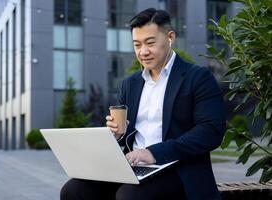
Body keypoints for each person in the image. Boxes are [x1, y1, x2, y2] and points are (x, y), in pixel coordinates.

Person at [60, 8, 226, 200]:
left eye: (150, 43)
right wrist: (115, 135)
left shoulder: (198, 78)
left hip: (178, 167)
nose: (143, 52)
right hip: (133, 166)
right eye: (137, 45)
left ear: (170, 37)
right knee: (73, 190)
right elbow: (124, 139)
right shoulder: (130, 84)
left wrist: (153, 153)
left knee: (130, 196)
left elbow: (211, 131)